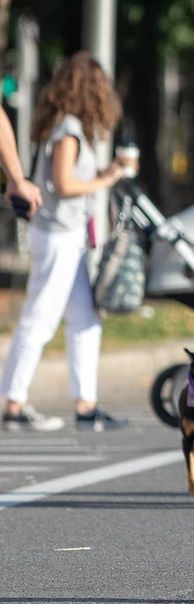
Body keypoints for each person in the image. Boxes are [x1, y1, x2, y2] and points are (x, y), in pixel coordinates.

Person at [1, 52, 135, 431]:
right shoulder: (69, 130)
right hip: (58, 235)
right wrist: (105, 180)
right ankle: (13, 403)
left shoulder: (64, 126)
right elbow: (63, 184)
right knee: (40, 318)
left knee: (85, 319)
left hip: (67, 237)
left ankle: (86, 404)